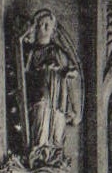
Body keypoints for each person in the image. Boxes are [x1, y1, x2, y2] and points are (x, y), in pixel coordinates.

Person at [21, 9, 82, 157]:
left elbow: (72, 72)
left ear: (53, 28)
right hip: (40, 90)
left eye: (48, 24)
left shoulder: (58, 51)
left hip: (58, 93)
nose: (45, 27)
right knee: (41, 112)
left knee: (57, 119)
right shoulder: (32, 52)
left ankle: (55, 153)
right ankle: (40, 150)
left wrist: (69, 73)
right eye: (41, 24)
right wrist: (43, 68)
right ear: (36, 29)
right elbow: (24, 72)